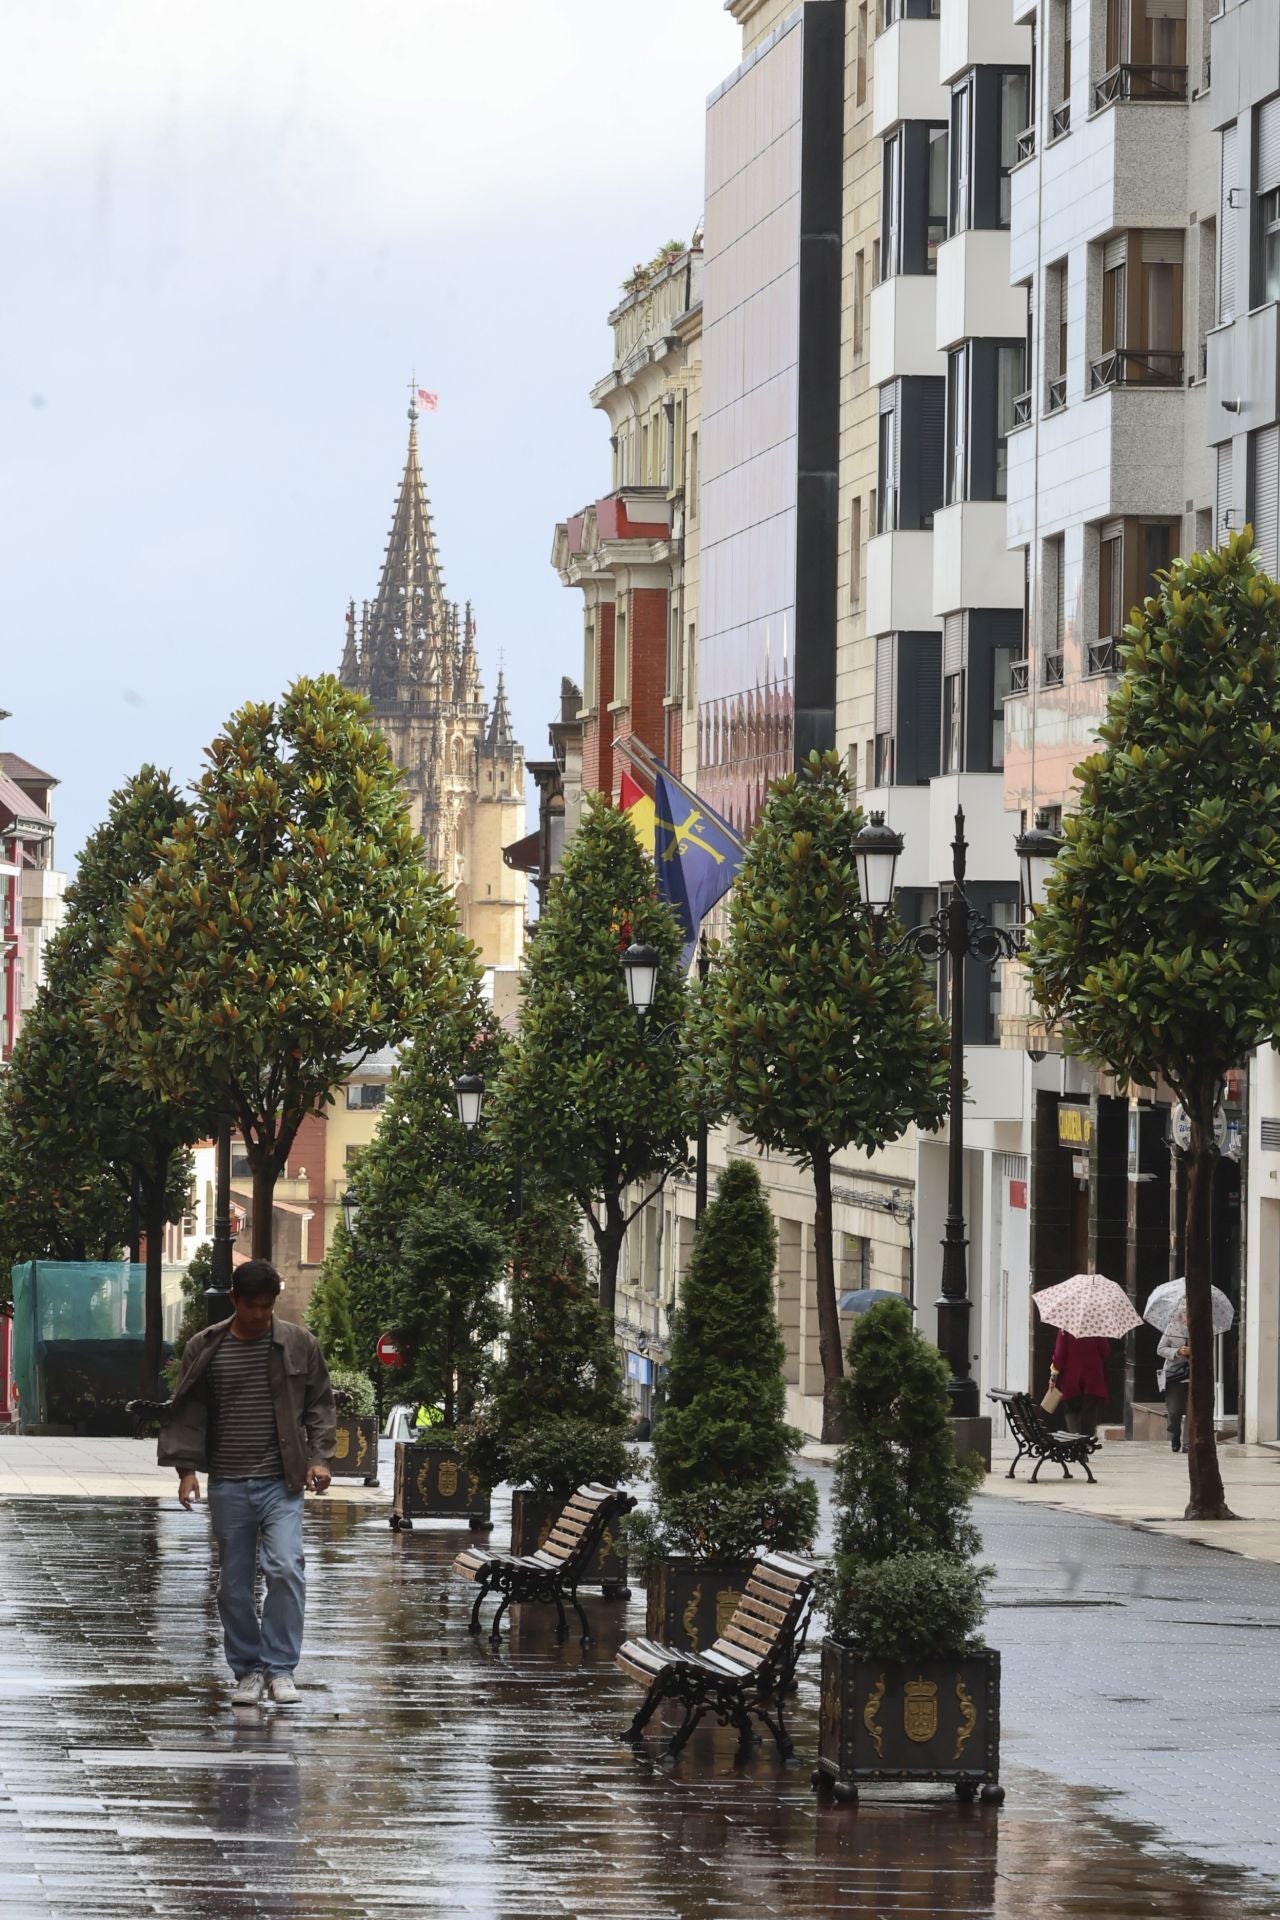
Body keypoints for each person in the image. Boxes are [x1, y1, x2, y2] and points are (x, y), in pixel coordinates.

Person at [158, 1260, 336, 1708]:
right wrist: (186, 1472)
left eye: (269, 1306)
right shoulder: (207, 1346)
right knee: (234, 1584)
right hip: (229, 1482)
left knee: (285, 1568)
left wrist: (319, 1459)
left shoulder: (298, 1343)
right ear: (234, 1300)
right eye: (253, 1306)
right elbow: (187, 1412)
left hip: (282, 1482)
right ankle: (248, 1670)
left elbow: (319, 1404)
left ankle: (281, 1669)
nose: (261, 1315)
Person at [1049, 1327, 1110, 1437]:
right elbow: (1105, 1351)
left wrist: (1053, 1377)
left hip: (1071, 1380)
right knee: (1089, 1414)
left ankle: (1075, 1439)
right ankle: (1085, 1443)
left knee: (1071, 1412)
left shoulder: (1065, 1328)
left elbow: (1059, 1356)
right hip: (1093, 1379)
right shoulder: (1097, 1327)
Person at [1158, 1313, 1191, 1453]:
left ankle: (1188, 1443)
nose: (1187, 1316)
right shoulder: (1172, 1327)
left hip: (1194, 1376)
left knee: (1192, 1411)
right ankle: (1175, 1436)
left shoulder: (1204, 1328)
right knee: (1175, 1411)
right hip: (1175, 1375)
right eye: (1185, 1313)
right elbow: (1160, 1349)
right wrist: (1177, 1351)